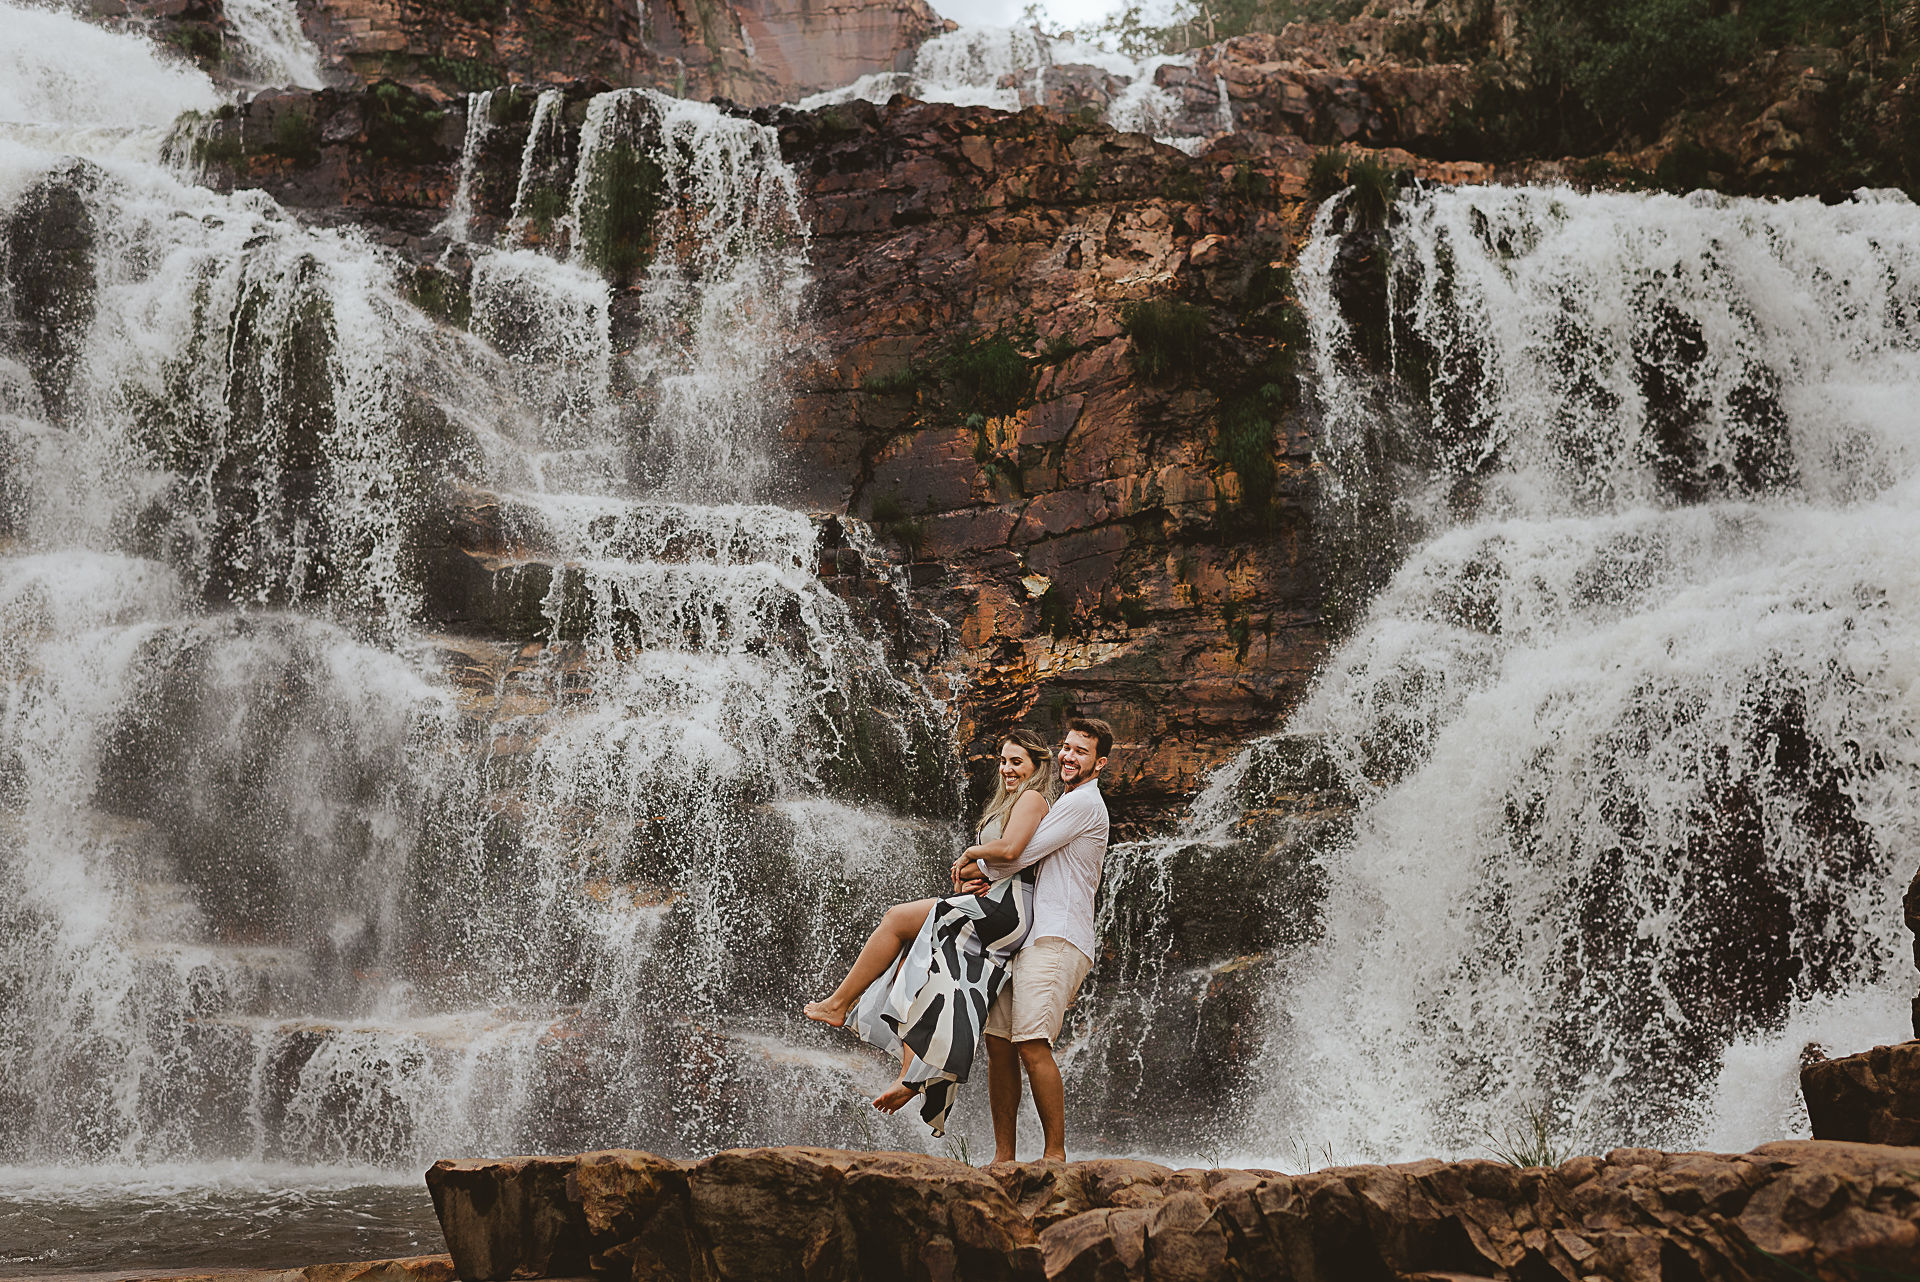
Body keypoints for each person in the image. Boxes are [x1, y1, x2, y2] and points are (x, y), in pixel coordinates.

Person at [803, 730, 1058, 1132]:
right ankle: (911, 1076)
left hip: (1007, 909)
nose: (1007, 769)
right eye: (1004, 761)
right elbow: (1005, 861)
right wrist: (970, 878)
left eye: (1017, 762)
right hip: (998, 902)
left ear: (1037, 766)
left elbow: (1010, 851)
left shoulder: (1033, 797)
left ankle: (839, 1005)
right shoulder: (1011, 801)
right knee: (922, 964)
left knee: (896, 920)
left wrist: (971, 854)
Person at [954, 716, 1111, 1164]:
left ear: (1098, 764)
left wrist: (970, 867)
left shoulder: (1082, 804)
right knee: (999, 1042)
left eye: (1081, 751)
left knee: (1031, 1042)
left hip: (1058, 937)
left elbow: (1015, 855)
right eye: (1066, 747)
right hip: (1024, 939)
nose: (1068, 756)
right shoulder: (1061, 801)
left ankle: (1054, 1158)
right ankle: (1004, 1158)